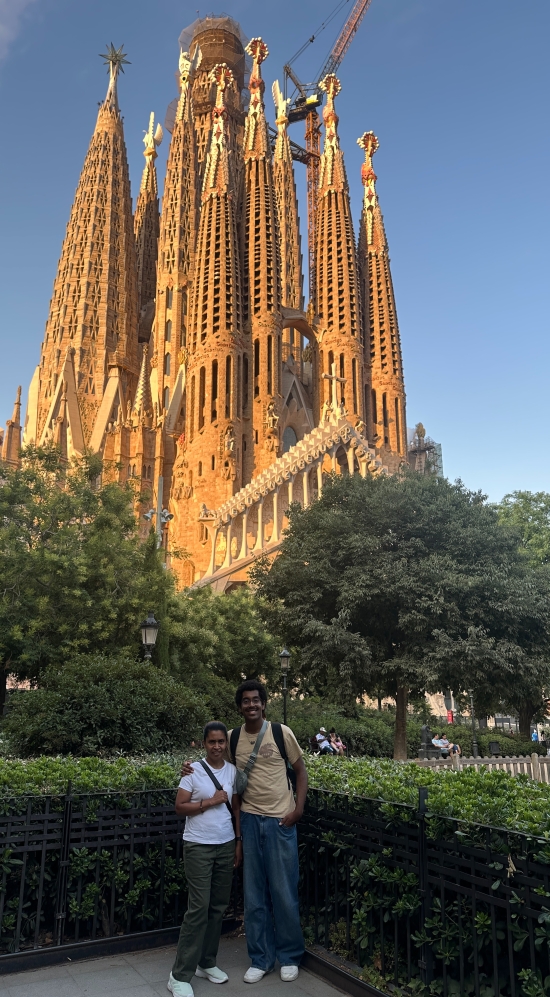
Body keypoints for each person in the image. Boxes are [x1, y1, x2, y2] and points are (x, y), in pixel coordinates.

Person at [181, 680, 308, 985]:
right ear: (239, 706)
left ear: (264, 703)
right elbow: (214, 764)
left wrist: (299, 810)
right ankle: (261, 958)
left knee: (284, 892)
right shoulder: (232, 737)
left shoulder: (281, 733)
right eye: (245, 701)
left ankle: (290, 956)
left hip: (280, 821)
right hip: (249, 821)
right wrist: (187, 767)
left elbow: (301, 771)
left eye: (256, 700)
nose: (251, 705)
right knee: (254, 895)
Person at [167, 722, 241, 997]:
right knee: (198, 908)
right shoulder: (193, 771)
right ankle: (179, 975)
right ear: (204, 743)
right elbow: (179, 807)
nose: (217, 746)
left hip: (225, 845)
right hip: (198, 846)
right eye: (212, 742)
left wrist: (238, 842)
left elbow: (235, 808)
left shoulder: (233, 771)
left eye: (221, 741)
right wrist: (210, 801)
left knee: (218, 907)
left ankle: (206, 962)